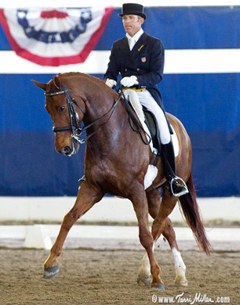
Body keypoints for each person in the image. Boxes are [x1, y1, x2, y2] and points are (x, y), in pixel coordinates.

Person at [104, 3, 188, 197]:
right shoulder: (118, 46)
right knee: (102, 120)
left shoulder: (153, 44)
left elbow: (157, 75)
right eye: (124, 19)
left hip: (144, 92)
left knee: (162, 127)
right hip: (124, 93)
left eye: (130, 18)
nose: (126, 22)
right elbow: (111, 71)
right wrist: (108, 80)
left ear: (140, 21)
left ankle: (172, 176)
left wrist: (137, 79)